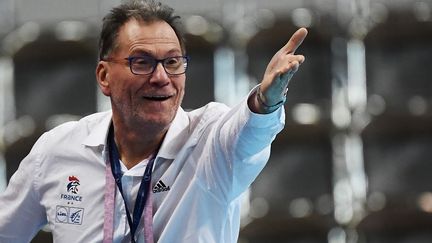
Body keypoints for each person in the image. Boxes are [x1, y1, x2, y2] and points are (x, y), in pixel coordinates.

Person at [0, 0, 307, 242]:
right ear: (104, 76)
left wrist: (266, 100)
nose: (161, 78)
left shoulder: (210, 142)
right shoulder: (57, 151)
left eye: (172, 62)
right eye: (141, 62)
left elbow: (248, 132)